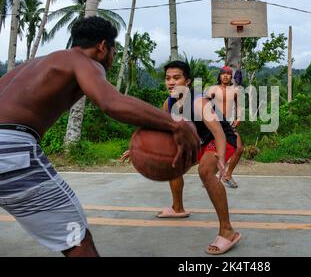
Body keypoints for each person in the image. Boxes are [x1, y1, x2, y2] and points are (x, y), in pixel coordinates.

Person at [0, 17, 199, 257]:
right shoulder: (84, 61)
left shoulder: (29, 66)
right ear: (103, 46)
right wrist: (175, 125)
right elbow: (111, 102)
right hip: (10, 148)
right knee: (77, 240)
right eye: (114, 51)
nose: (113, 58)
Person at [122, 61, 241, 255]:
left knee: (205, 171)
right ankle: (177, 208)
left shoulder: (198, 102)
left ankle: (228, 231)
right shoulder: (168, 103)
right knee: (172, 161)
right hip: (199, 141)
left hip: (222, 139)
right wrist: (137, 149)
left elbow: (218, 131)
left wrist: (219, 157)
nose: (171, 82)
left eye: (176, 78)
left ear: (187, 81)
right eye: (168, 78)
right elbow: (160, 129)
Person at [205, 66, 243, 188]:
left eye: (228, 74)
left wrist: (239, 118)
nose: (225, 76)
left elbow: (239, 106)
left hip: (229, 124)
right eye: (223, 74)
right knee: (211, 150)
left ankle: (227, 176)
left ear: (231, 77)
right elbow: (203, 103)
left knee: (239, 149)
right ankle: (207, 176)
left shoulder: (236, 90)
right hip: (215, 123)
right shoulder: (213, 89)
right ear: (219, 76)